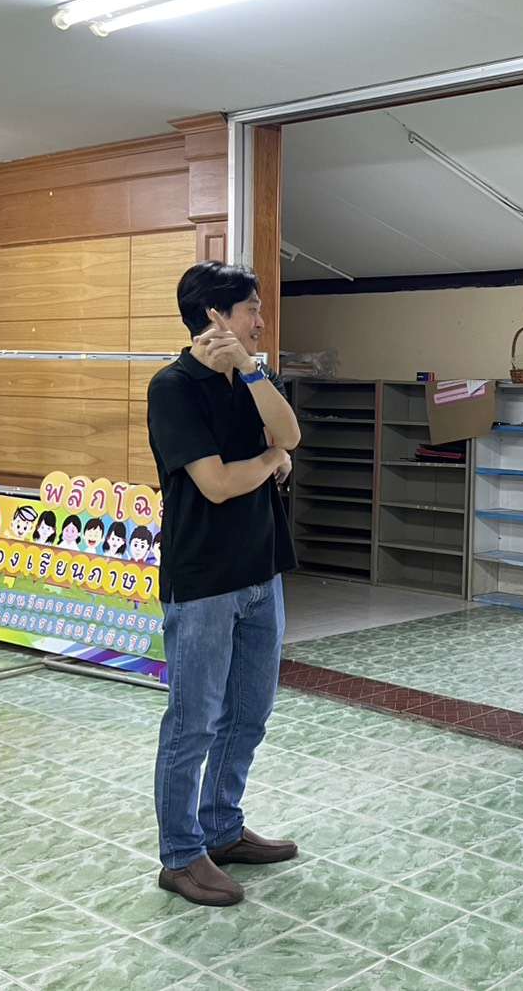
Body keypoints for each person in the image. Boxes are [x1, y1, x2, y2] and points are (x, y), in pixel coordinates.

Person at [147, 261, 301, 907]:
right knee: (194, 722)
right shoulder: (173, 388)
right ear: (215, 316)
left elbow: (292, 434)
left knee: (249, 713)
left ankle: (222, 827)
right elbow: (215, 484)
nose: (260, 319)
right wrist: (270, 460)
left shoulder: (253, 378)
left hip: (261, 570)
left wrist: (254, 373)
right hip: (205, 580)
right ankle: (181, 855)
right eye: (250, 308)